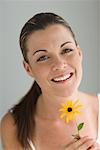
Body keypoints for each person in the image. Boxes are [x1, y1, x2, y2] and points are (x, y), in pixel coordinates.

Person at [1, 12, 100, 150]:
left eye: (66, 50)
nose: (59, 64)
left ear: (79, 53)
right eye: (43, 57)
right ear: (28, 68)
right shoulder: (13, 126)